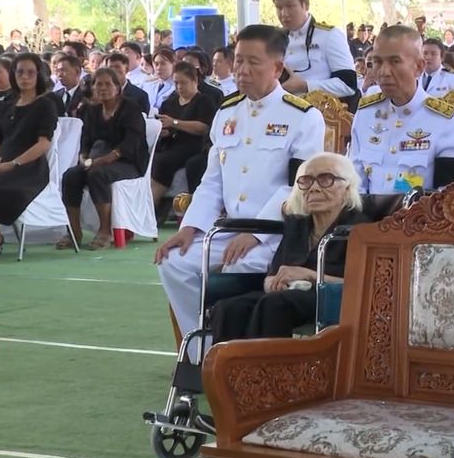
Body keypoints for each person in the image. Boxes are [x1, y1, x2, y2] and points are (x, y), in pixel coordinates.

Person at [155, 24, 326, 340]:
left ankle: (233, 351)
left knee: (237, 270)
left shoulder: (303, 116)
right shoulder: (226, 112)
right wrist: (190, 229)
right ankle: (202, 346)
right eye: (238, 61)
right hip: (227, 230)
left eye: (253, 62)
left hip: (275, 234)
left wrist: (255, 234)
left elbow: (297, 187)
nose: (242, 71)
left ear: (276, 67)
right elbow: (211, 183)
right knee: (173, 262)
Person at [210, 153, 371, 343]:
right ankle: (226, 370)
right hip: (290, 295)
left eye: (326, 179)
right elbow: (275, 270)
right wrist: (270, 282)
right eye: (306, 181)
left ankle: (268, 370)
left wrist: (309, 275)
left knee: (273, 304)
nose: (314, 188)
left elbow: (364, 284)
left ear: (348, 188)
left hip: (333, 297)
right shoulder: (298, 224)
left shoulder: (360, 230)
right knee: (229, 308)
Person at [348, 25, 454, 194]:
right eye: (377, 62)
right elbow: (354, 184)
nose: (384, 72)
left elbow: (447, 199)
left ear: (419, 67)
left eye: (395, 62)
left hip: (419, 218)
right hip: (365, 217)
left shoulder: (448, 122)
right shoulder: (366, 113)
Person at [0, 53, 59, 258]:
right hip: (3, 167)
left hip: (29, 171)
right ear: (13, 75)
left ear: (39, 75)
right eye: (20, 72)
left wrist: (13, 164)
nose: (25, 77)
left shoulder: (45, 105)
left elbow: (43, 144)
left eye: (30, 72)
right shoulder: (8, 105)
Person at [59, 68, 148, 250]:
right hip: (97, 160)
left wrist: (107, 159)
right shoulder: (91, 111)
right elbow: (86, 141)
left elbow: (132, 142)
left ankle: (105, 230)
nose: (103, 88)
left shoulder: (130, 108)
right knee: (70, 176)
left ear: (117, 88)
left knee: (97, 175)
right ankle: (74, 231)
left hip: (128, 161)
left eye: (108, 84)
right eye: (98, 84)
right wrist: (83, 157)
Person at [272, 0, 359, 111]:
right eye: (279, 7)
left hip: (320, 114)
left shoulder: (329, 35)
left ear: (305, 4)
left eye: (290, 6)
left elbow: (348, 85)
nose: (284, 14)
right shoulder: (275, 39)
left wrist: (305, 85)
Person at [150, 61, 214, 205]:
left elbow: (204, 128)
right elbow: (166, 125)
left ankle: (153, 202)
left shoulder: (204, 101)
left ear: (195, 81)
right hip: (171, 143)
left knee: (164, 161)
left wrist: (175, 123)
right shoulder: (169, 103)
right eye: (176, 83)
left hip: (194, 145)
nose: (179, 87)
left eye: (183, 83)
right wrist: (163, 130)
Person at [142, 48, 177, 114]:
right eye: (156, 64)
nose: (158, 68)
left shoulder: (177, 86)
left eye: (163, 64)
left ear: (173, 64)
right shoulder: (147, 84)